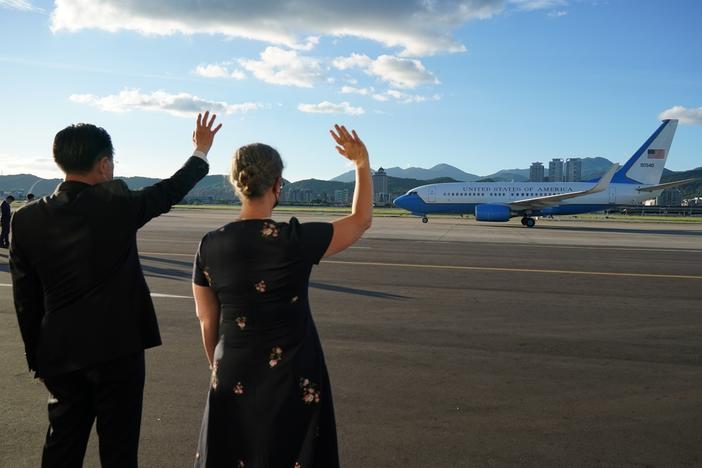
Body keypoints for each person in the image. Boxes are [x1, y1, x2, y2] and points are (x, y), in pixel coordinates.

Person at [10, 111, 222, 468]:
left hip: (60, 353)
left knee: (62, 444)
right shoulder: (118, 203)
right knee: (119, 448)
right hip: (118, 350)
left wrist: (38, 359)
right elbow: (169, 190)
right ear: (104, 164)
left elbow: (25, 300)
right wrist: (200, 151)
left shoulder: (26, 219)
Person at [192, 125, 371, 467]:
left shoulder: (209, 244)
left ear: (236, 184)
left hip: (233, 366)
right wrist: (361, 164)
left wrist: (219, 363)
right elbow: (361, 220)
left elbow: (206, 318)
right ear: (277, 186)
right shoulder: (293, 238)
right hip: (293, 373)